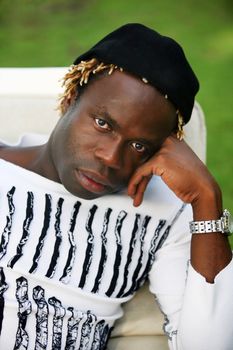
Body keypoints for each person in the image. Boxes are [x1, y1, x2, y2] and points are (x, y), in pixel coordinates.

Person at [0, 23, 232, 350]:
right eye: (103, 123)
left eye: (139, 145)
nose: (110, 158)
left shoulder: (165, 215)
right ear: (70, 98)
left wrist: (206, 197)